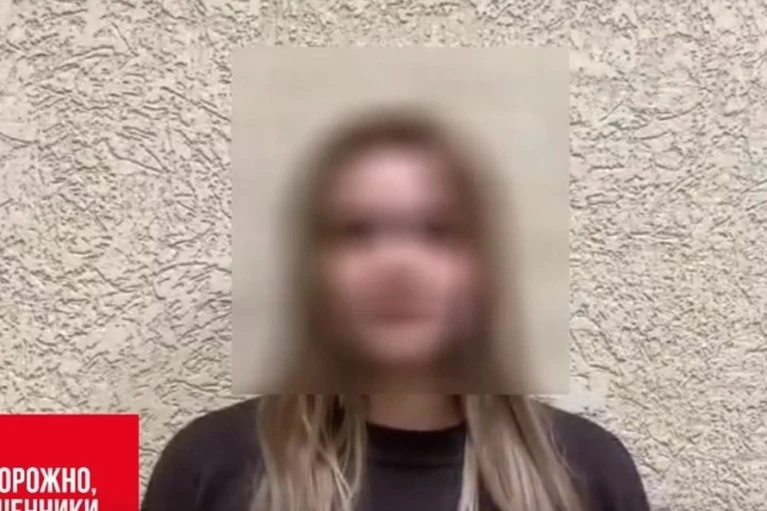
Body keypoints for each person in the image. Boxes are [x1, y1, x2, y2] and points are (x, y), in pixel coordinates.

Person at [141, 106, 650, 511]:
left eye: (438, 231)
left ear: (484, 269)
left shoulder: (589, 474)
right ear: (313, 271)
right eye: (358, 232)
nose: (398, 265)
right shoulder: (209, 468)